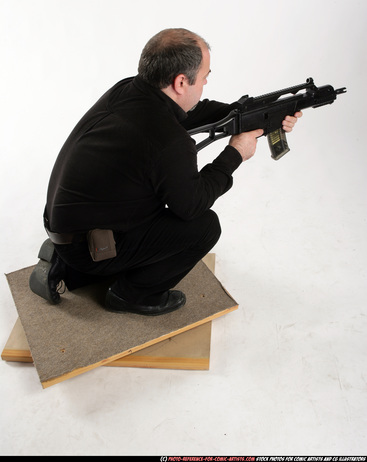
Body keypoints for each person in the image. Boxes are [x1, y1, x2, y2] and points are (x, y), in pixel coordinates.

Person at [29, 28, 302, 316]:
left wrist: (246, 114)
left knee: (150, 199)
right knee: (204, 226)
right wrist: (235, 153)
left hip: (67, 224)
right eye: (206, 75)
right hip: (92, 245)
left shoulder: (128, 90)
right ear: (181, 81)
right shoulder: (168, 141)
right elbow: (191, 205)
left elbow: (190, 112)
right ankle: (131, 295)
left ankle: (67, 267)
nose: (207, 81)